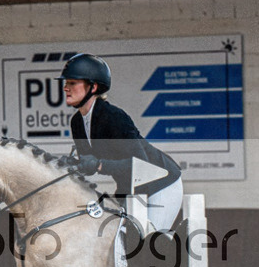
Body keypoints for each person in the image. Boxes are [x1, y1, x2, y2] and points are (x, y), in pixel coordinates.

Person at [59, 53, 183, 232]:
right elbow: (89, 163)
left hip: (161, 183)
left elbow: (142, 166)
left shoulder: (114, 117)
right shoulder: (77, 122)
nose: (65, 88)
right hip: (130, 190)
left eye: (72, 83)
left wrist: (100, 165)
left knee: (147, 242)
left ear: (93, 87)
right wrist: (72, 165)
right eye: (66, 83)